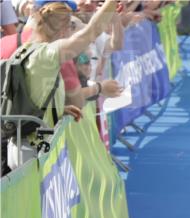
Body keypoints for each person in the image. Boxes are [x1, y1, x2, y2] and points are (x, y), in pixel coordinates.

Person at [4, 0, 119, 169]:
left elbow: (31, 96)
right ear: (64, 29)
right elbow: (91, 31)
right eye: (71, 25)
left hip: (20, 145)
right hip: (33, 150)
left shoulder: (26, 49)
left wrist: (58, 109)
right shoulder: (47, 54)